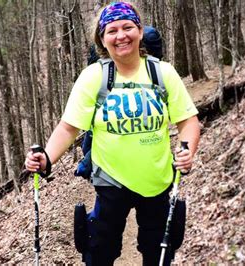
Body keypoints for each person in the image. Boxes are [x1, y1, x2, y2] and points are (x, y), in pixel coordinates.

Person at [25, 2, 200, 265]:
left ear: (139, 31)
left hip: (158, 180)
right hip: (110, 182)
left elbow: (188, 121)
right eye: (112, 30)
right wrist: (46, 158)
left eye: (128, 27)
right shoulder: (93, 78)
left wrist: (187, 150)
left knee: (159, 254)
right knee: (99, 253)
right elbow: (69, 127)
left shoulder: (163, 73)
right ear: (102, 39)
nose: (121, 36)